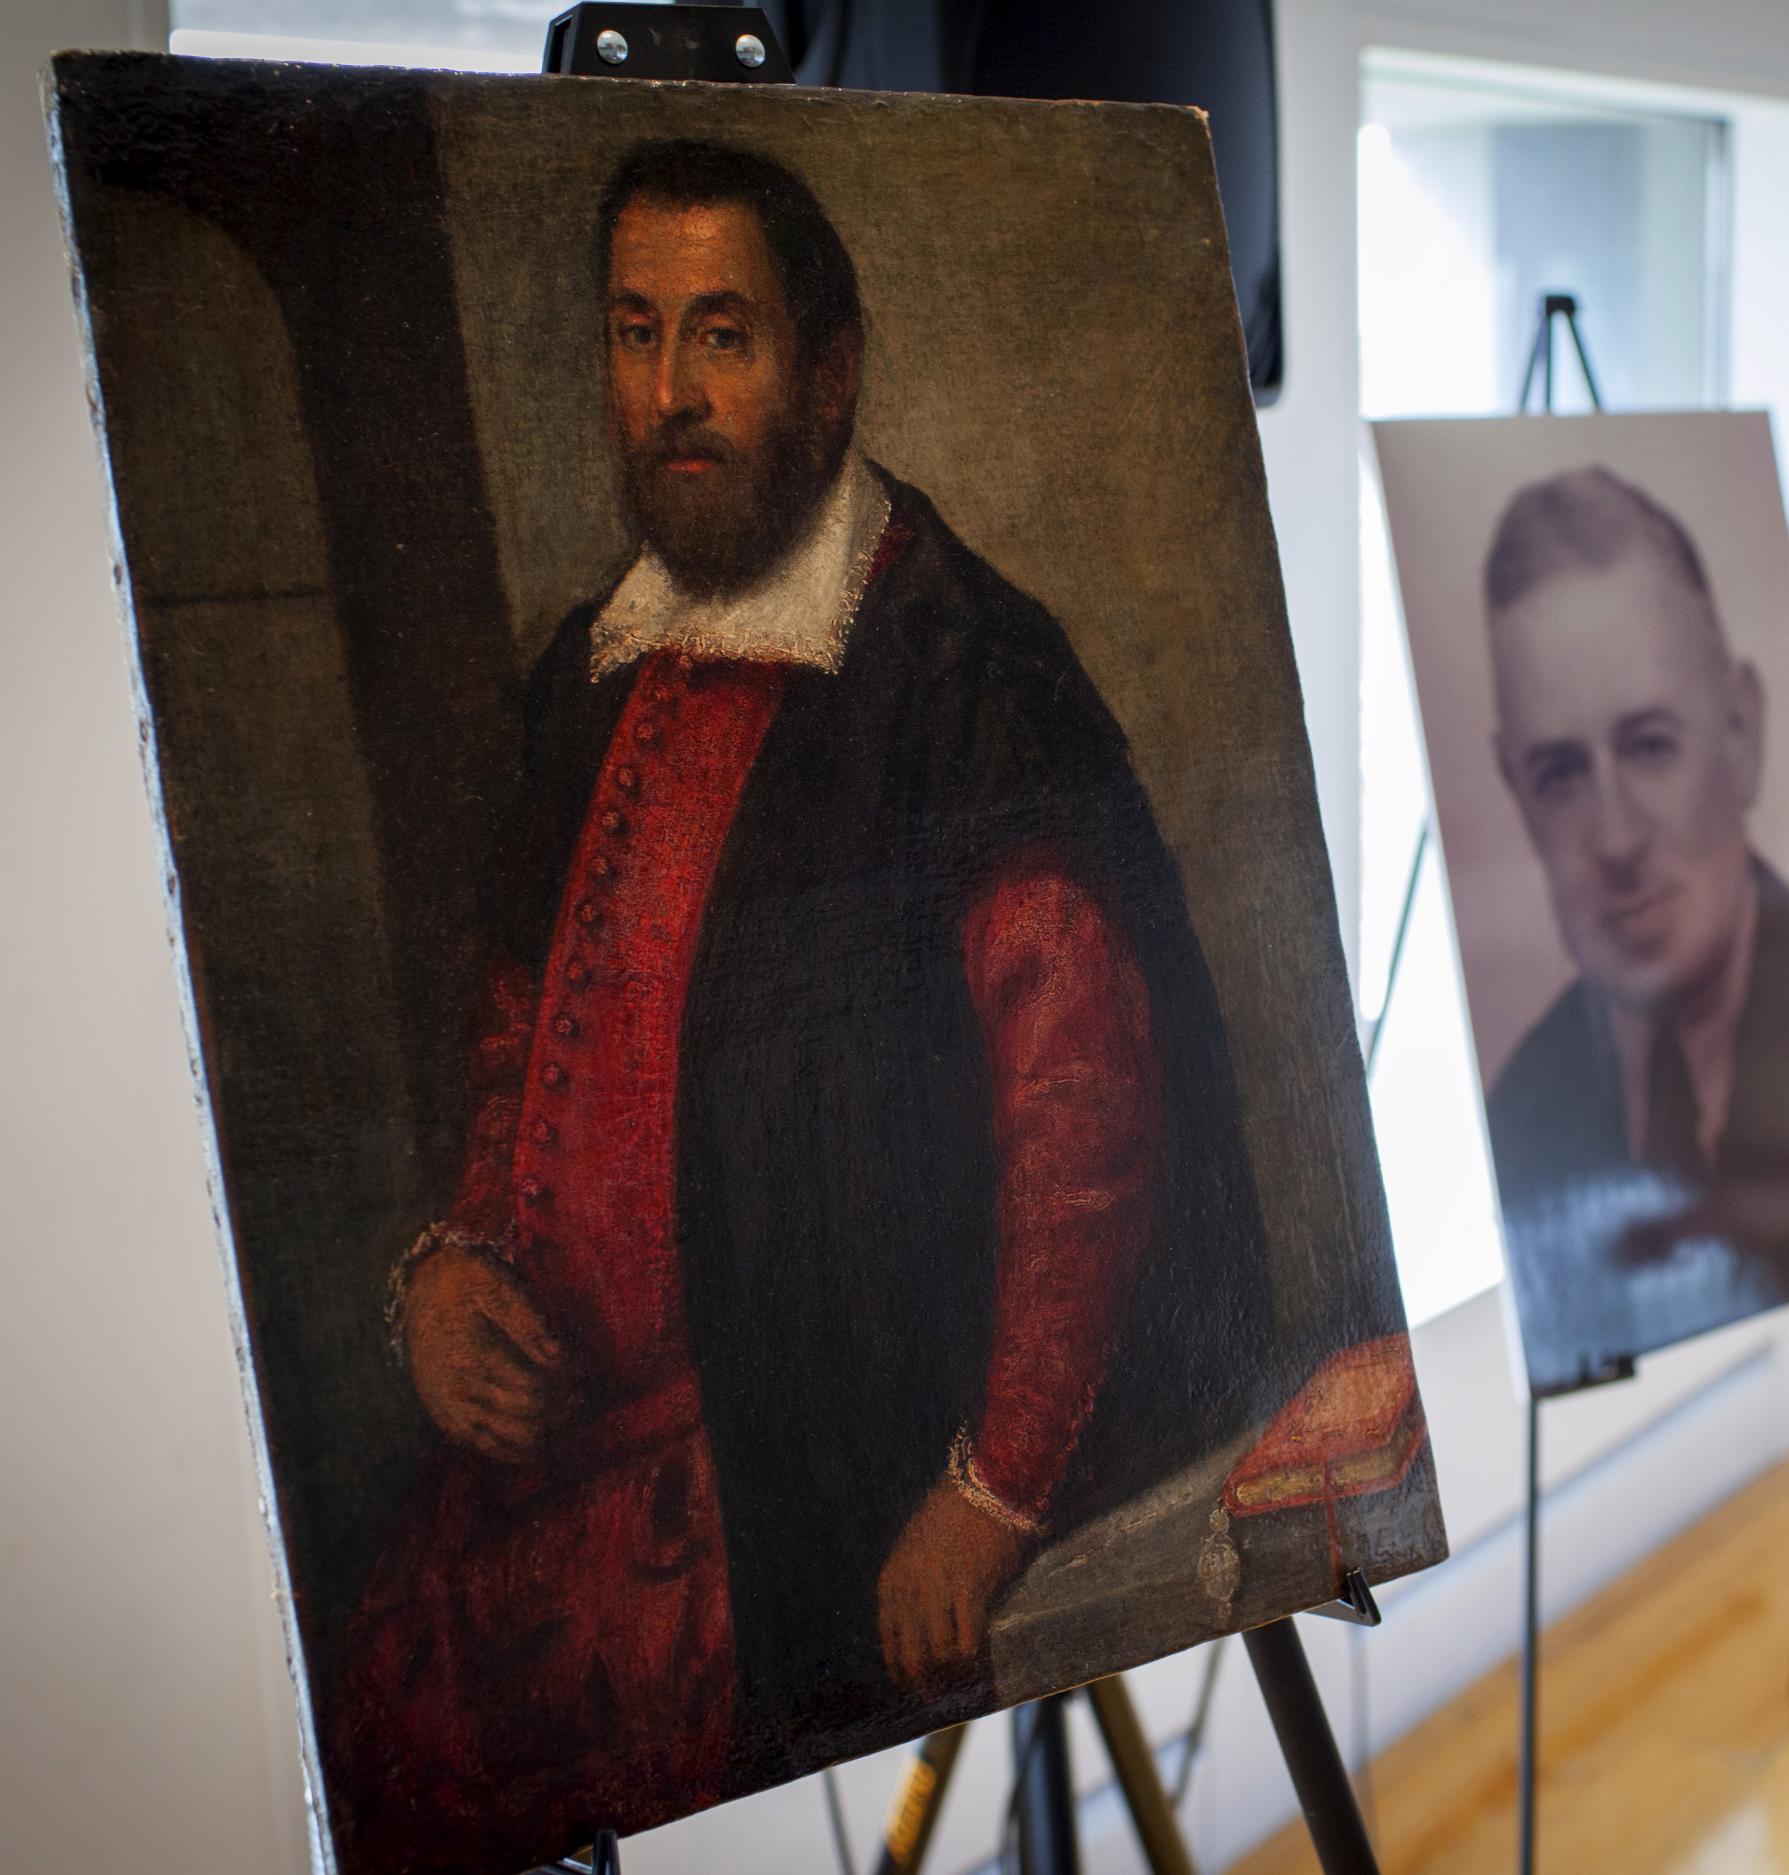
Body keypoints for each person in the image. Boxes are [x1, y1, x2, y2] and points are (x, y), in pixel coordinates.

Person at [338, 139, 1273, 1862]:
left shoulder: (958, 676)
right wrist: (445, 1279)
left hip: (781, 1506)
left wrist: (989, 1497)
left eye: (725, 337)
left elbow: (1088, 1123)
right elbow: (508, 1044)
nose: (671, 395)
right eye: (634, 336)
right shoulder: (583, 676)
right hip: (546, 1489)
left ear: (830, 372)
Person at [1477, 467, 1789, 1393]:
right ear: (1516, 790)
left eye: (1650, 745)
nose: (1616, 837)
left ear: (1740, 733)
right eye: (1560, 773)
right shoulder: (1521, 1112)